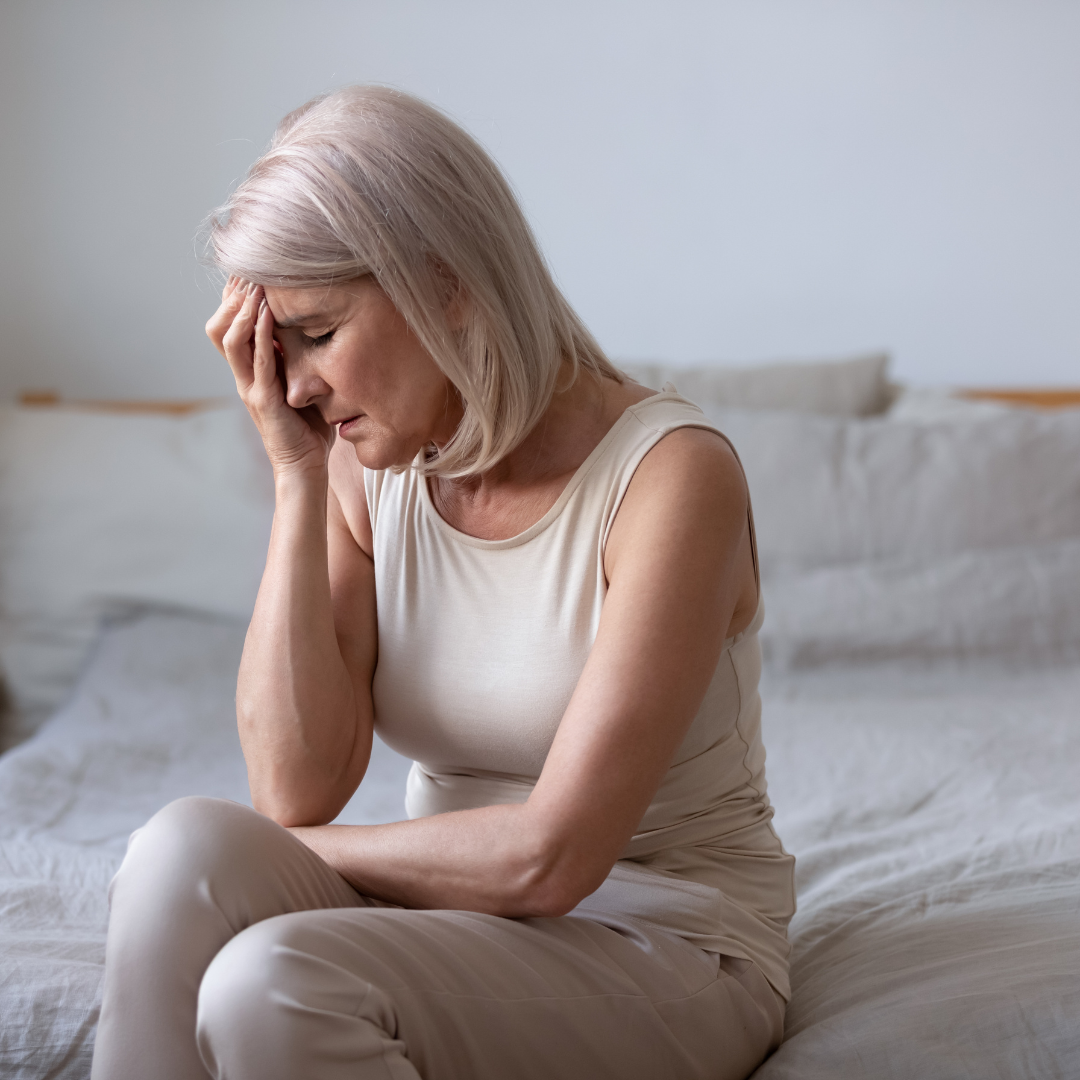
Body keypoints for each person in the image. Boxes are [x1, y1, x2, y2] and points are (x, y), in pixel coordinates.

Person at [90, 86, 795, 1080]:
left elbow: (553, 857)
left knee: (273, 978)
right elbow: (295, 786)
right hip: (458, 921)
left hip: (669, 942)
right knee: (178, 852)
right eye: (274, 349)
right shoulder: (360, 468)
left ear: (448, 282)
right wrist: (296, 477)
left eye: (320, 334)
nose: (294, 388)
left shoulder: (672, 476)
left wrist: (323, 856)